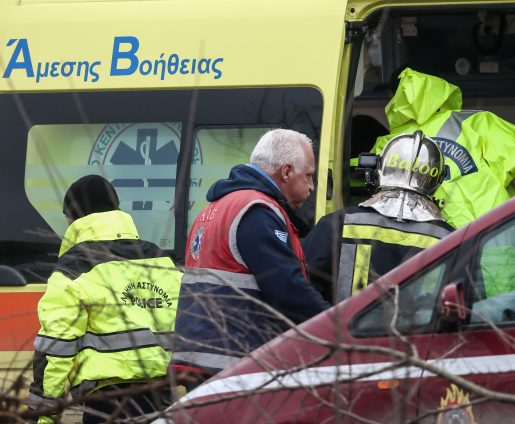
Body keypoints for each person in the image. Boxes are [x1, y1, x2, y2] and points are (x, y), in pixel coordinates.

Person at [171, 129, 330, 387]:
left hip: (203, 359)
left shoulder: (216, 207)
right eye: (309, 176)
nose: (312, 186)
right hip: (234, 364)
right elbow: (287, 289)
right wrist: (338, 324)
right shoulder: (257, 210)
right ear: (287, 171)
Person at [29, 175, 181, 424]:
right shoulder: (162, 261)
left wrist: (43, 419)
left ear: (74, 219)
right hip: (163, 399)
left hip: (108, 405)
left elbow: (55, 351)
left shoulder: (74, 268)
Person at [371, 67, 515, 228]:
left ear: (398, 96)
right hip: (495, 249)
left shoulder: (389, 145)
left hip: (425, 255)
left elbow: (354, 182)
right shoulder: (477, 123)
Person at [304, 132, 454, 304]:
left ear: (378, 170)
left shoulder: (338, 224)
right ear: (437, 180)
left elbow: (299, 286)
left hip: (341, 330)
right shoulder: (452, 239)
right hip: (417, 331)